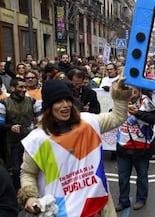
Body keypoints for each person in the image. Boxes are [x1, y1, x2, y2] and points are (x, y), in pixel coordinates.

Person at [17, 77, 132, 216]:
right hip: (61, 211)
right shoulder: (37, 139)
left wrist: (121, 92)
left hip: (97, 206)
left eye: (68, 100)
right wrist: (30, 196)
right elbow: (28, 173)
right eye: (59, 101)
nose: (66, 105)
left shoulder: (88, 122)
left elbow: (117, 117)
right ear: (48, 107)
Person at [115, 87, 155, 212]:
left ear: (139, 91)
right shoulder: (119, 101)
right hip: (123, 146)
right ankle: (123, 201)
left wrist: (137, 114)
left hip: (141, 148)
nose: (130, 95)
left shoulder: (146, 102)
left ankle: (141, 199)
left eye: (133, 92)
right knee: (123, 177)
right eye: (127, 92)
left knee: (142, 176)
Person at [0, 78, 42, 189]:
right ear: (13, 88)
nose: (24, 90)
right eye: (21, 87)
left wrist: (39, 124)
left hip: (30, 141)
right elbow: (0, 122)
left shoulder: (33, 101)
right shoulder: (4, 103)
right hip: (12, 143)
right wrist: (10, 127)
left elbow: (40, 117)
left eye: (25, 87)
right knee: (16, 169)